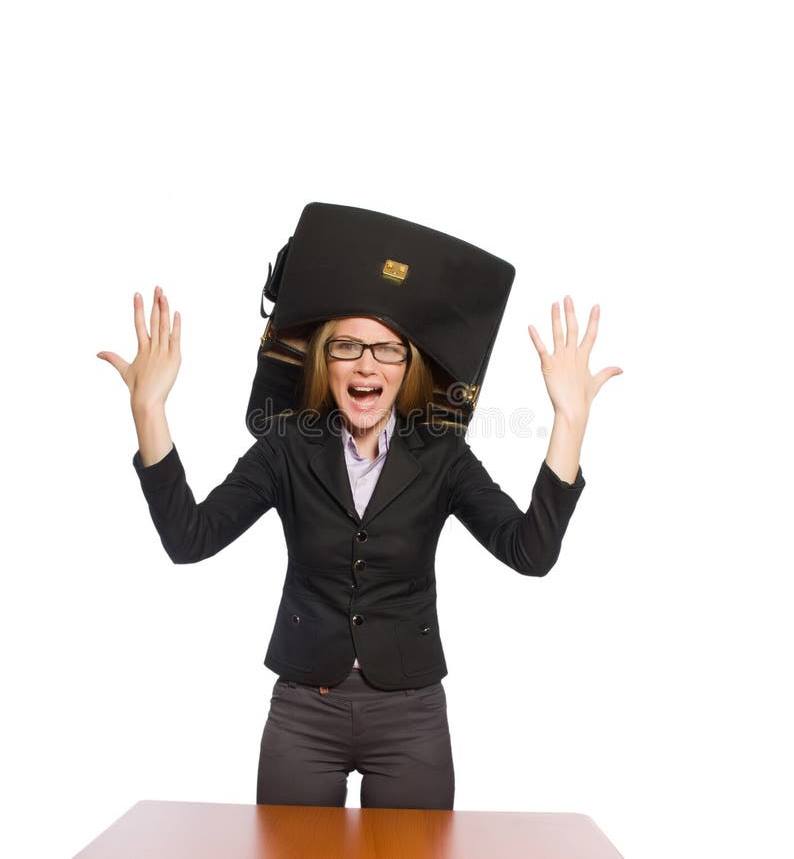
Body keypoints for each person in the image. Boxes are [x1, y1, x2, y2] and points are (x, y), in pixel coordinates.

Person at [97, 285, 622, 809]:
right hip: (304, 710)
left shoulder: (443, 456)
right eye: (347, 346)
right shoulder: (284, 447)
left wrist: (570, 422)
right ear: (325, 360)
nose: (367, 364)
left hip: (411, 716)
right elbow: (190, 538)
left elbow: (530, 551)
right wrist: (148, 408)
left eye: (387, 349)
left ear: (407, 364)